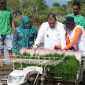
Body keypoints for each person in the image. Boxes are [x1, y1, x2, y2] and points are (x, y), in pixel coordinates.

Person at [0, 0, 15, 67]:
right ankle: (1, 65)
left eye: (4, 3)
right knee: (1, 50)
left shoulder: (9, 11)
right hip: (0, 33)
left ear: (5, 3)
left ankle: (12, 64)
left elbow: (12, 21)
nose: (3, 4)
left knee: (10, 49)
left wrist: (14, 29)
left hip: (8, 33)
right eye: (1, 3)